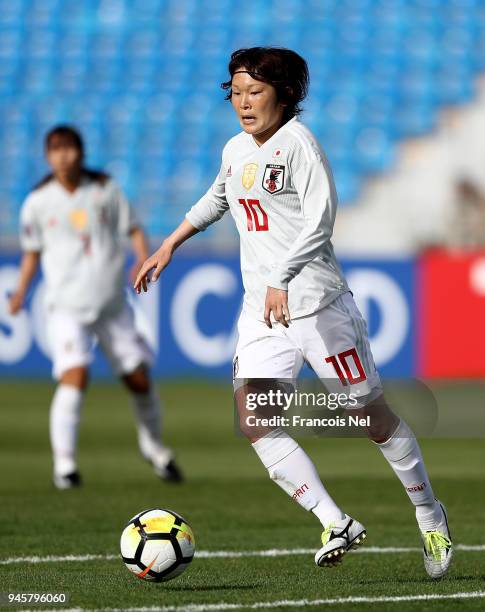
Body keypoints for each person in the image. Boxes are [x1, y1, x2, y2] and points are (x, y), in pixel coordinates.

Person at [134, 47, 452, 578]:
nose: (243, 102)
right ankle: (335, 521)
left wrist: (281, 278)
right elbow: (220, 197)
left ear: (284, 95)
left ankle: (429, 512)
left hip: (318, 304)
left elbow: (320, 221)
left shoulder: (299, 145)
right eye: (235, 92)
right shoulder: (236, 149)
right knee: (257, 421)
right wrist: (170, 243)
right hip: (262, 312)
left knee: (371, 420)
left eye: (254, 92)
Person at [9, 125, 182, 489]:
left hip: (111, 304)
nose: (63, 156)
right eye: (55, 150)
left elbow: (133, 228)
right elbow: (31, 253)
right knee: (75, 375)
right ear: (47, 156)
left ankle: (154, 449)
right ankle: (65, 466)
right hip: (66, 306)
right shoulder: (38, 202)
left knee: (138, 379)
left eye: (69, 148)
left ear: (80, 152)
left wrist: (141, 258)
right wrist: (20, 291)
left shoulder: (105, 189)